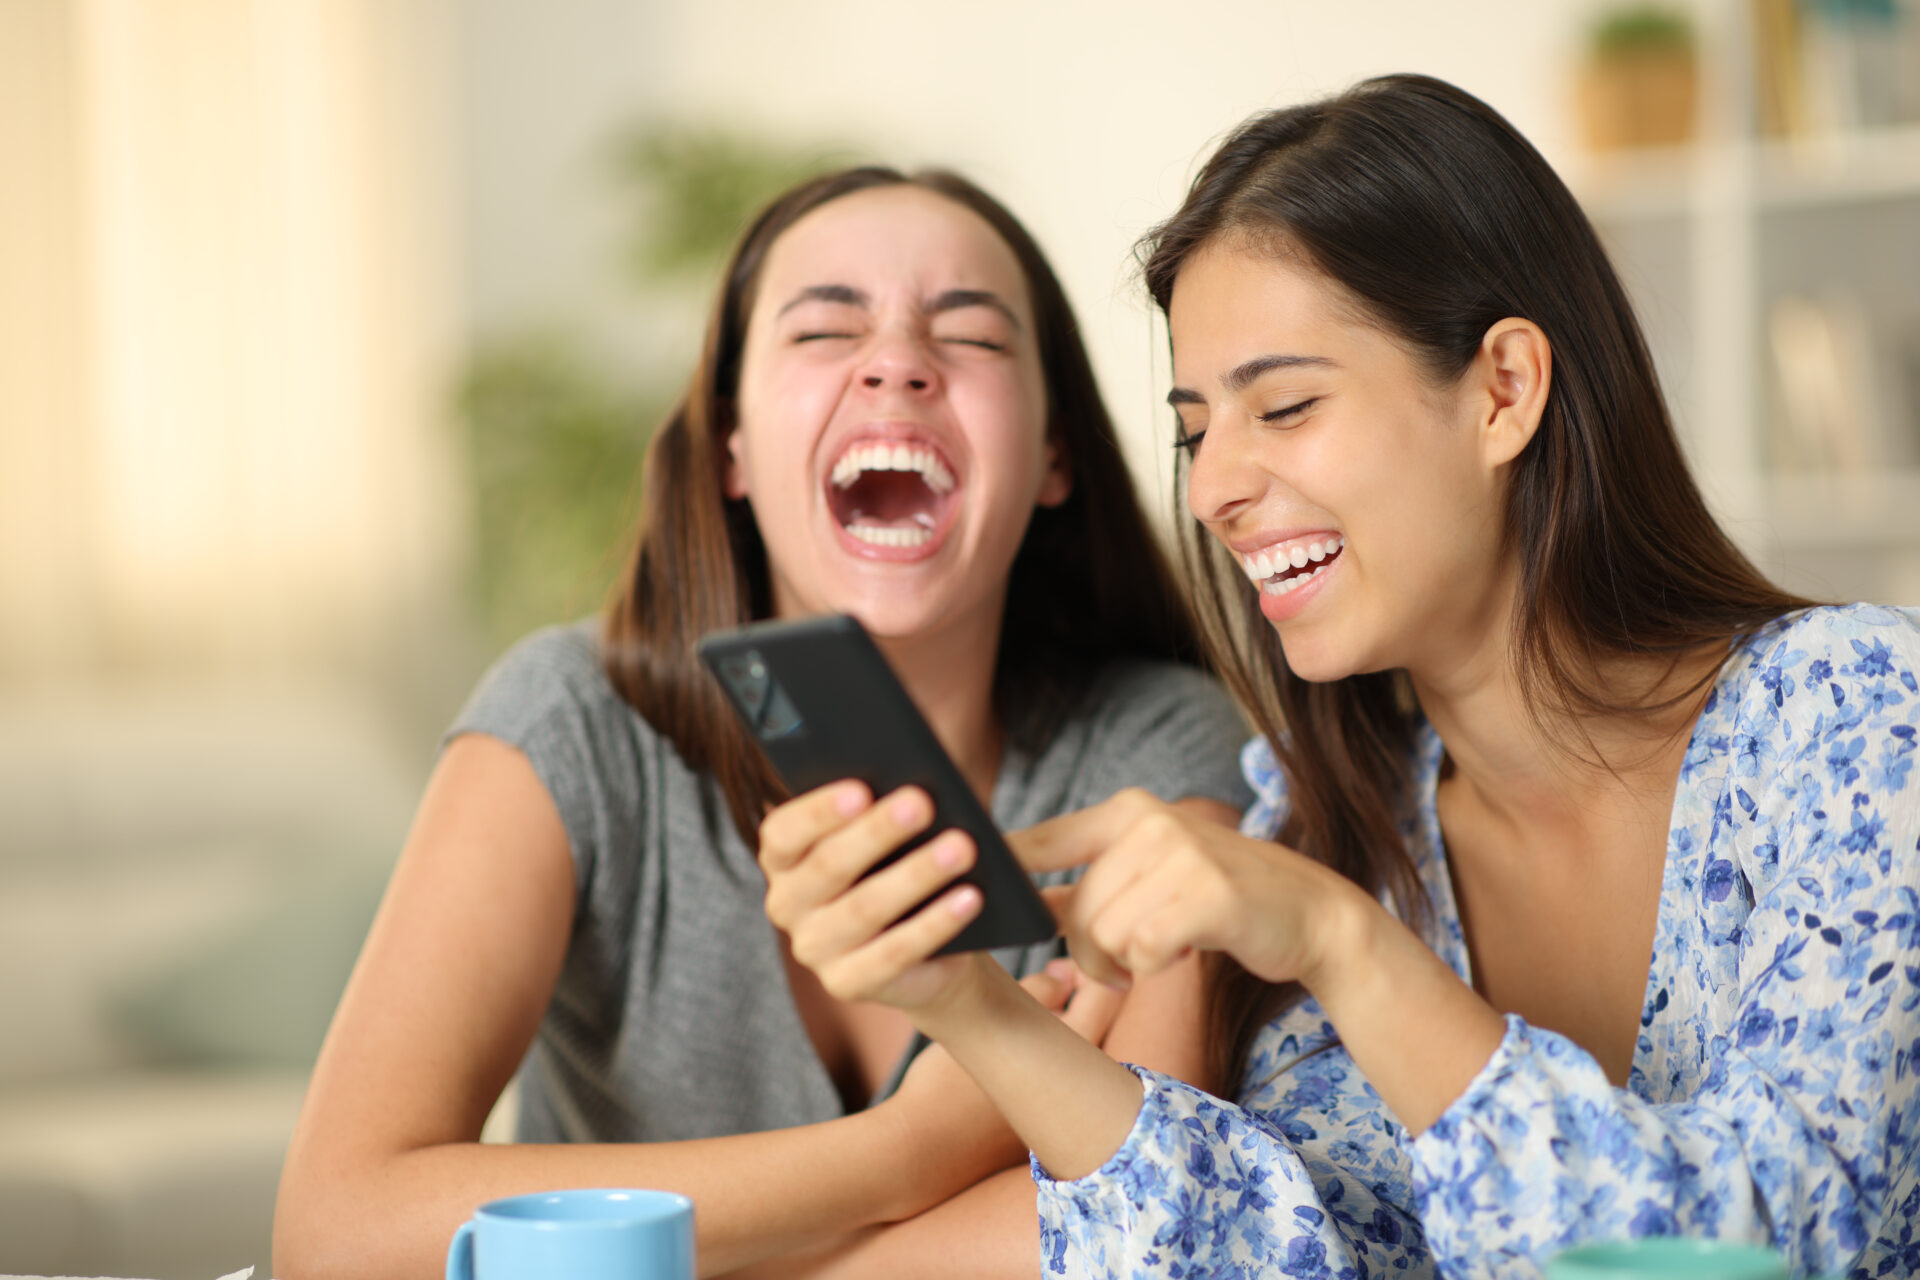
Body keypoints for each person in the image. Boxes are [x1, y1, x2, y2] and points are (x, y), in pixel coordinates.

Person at [759, 76, 1920, 1279]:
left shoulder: (1859, 718)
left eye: (1288, 403)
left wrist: (1345, 946)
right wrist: (967, 1004)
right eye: (1197, 427)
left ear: (1504, 389)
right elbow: (1283, 1252)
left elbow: (1789, 1244)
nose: (1213, 488)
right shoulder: (1339, 828)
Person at [271, 166, 1255, 1280]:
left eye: (971, 335)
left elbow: (1163, 1226)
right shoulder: (568, 724)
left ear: (1053, 456)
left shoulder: (1162, 752)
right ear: (732, 444)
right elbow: (337, 1232)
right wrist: (898, 1153)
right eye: (827, 328)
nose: (895, 360)